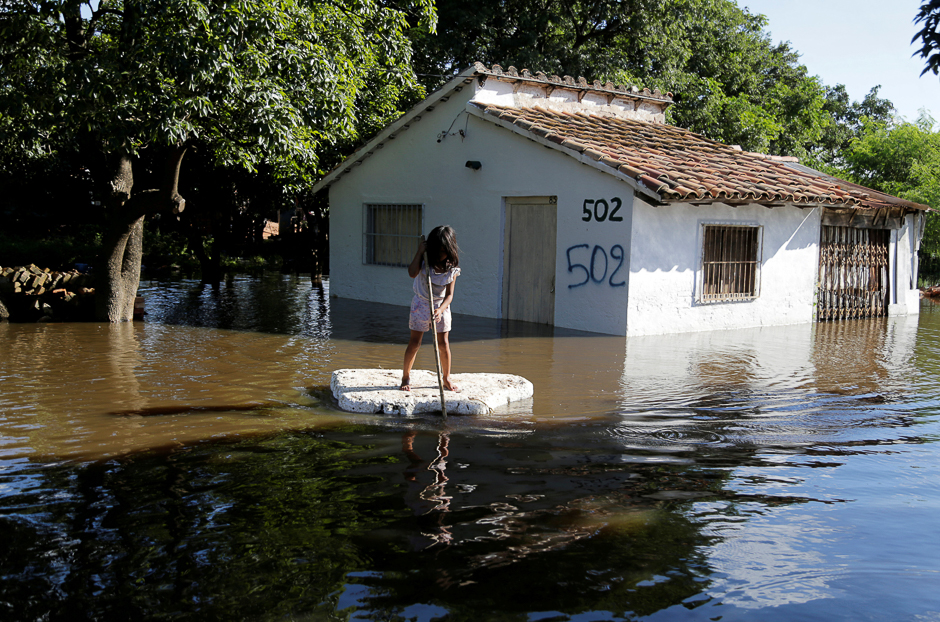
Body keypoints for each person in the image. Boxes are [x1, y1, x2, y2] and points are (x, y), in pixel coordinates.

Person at [401, 226, 460, 392]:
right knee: (415, 342)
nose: (439, 255)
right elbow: (412, 273)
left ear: (450, 249)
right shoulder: (425, 261)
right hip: (421, 304)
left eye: (443, 251)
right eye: (437, 250)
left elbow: (449, 295)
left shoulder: (451, 268)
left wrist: (440, 310)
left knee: (443, 343)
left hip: (441, 307)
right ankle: (406, 376)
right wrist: (420, 252)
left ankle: (446, 378)